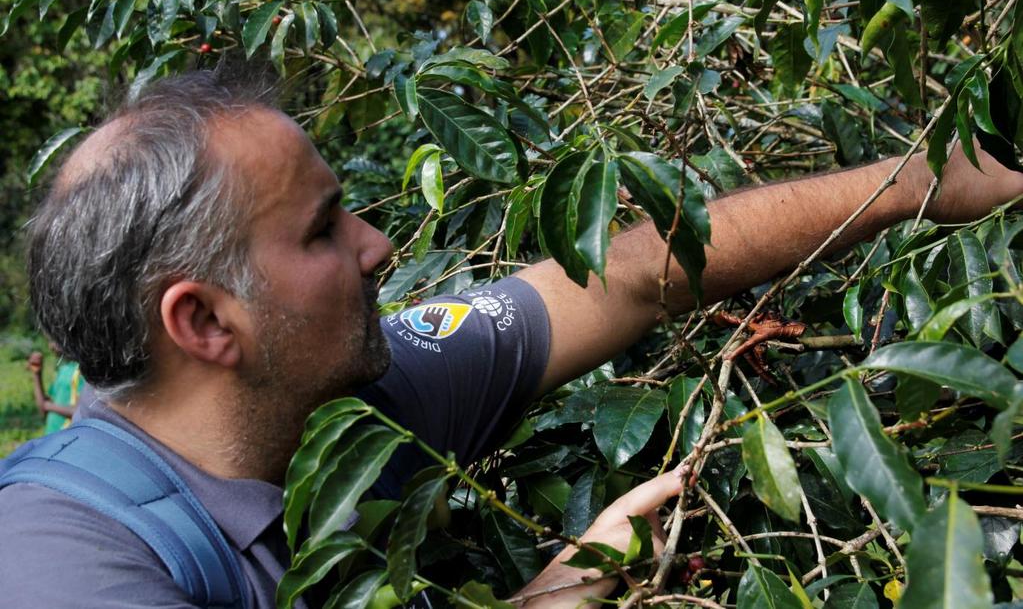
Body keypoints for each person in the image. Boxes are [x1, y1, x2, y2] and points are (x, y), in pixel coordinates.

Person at [0, 63, 1020, 609]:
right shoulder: (59, 561)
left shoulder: (359, 403)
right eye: (321, 231)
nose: (378, 244)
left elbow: (626, 277)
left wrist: (919, 185)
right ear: (205, 321)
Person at [27, 343, 86, 434]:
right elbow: (42, 409)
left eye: (54, 339)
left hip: (69, 437)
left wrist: (48, 406)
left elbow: (81, 412)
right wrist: (37, 373)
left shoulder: (82, 371)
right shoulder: (63, 369)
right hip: (52, 437)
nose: (50, 345)